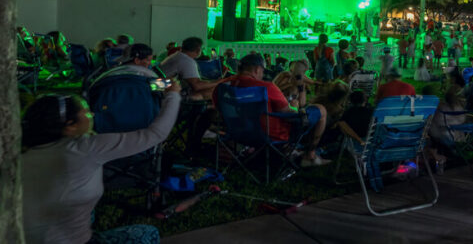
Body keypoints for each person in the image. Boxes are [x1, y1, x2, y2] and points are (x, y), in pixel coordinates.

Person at [22, 82, 181, 244]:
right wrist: (173, 94)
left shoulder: (21, 156)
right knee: (148, 233)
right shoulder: (86, 149)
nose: (92, 114)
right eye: (86, 112)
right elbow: (156, 134)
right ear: (70, 126)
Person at [220, 54, 329, 166]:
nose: (263, 74)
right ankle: (310, 156)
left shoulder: (223, 86)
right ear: (257, 69)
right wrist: (296, 109)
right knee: (321, 110)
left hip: (237, 133)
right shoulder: (265, 87)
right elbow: (289, 114)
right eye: (263, 71)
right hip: (270, 136)